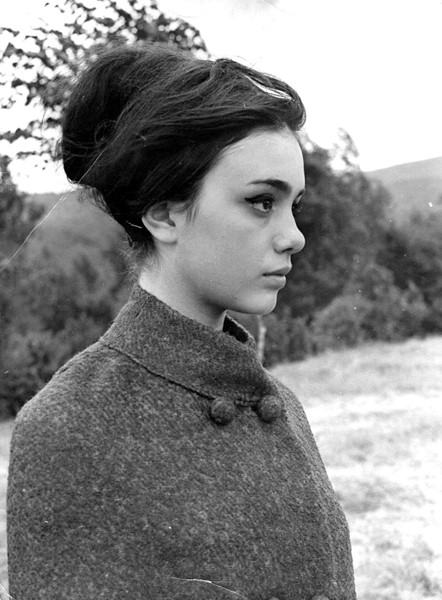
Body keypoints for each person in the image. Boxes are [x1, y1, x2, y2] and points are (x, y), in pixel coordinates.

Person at [7, 43, 356, 600]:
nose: (295, 236)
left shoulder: (283, 407)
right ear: (164, 212)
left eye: (294, 205)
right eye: (261, 202)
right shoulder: (71, 427)